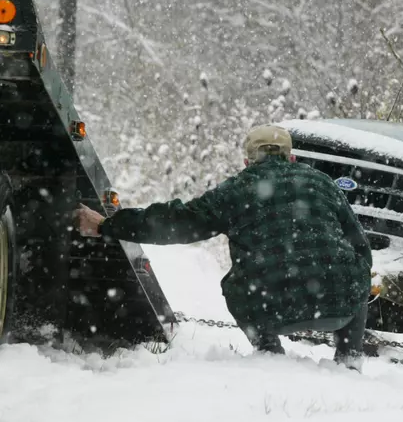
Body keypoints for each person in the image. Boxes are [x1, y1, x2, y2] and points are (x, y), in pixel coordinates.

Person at [73, 124, 373, 370]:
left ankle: (269, 351)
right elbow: (361, 247)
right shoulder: (322, 183)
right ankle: (349, 357)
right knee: (355, 268)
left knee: (235, 283)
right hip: (339, 306)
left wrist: (107, 225)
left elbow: (176, 221)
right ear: (290, 158)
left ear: (248, 161)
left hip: (271, 310)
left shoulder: (238, 189)